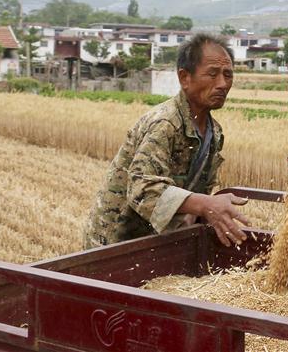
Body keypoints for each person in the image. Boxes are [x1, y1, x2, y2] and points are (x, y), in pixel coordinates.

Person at [83, 33, 249, 249]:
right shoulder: (165, 123)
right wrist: (205, 205)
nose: (222, 84)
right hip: (117, 242)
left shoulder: (214, 132)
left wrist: (197, 213)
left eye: (228, 75)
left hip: (155, 240)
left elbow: (197, 189)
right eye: (212, 74)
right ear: (184, 78)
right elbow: (143, 189)